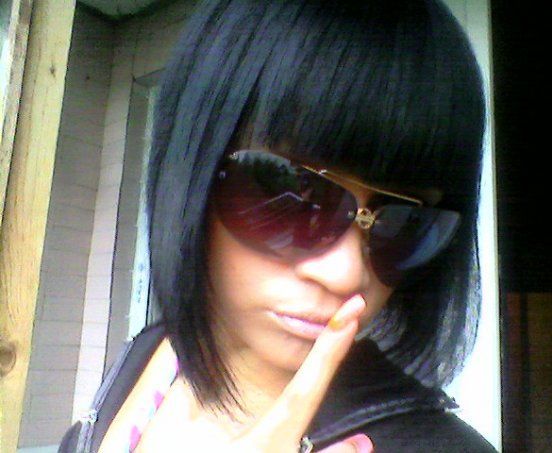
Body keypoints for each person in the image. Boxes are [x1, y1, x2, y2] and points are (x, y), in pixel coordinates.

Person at [60, 0, 497, 451]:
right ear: (192, 173)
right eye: (295, 197)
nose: (347, 274)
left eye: (406, 223)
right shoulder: (150, 356)